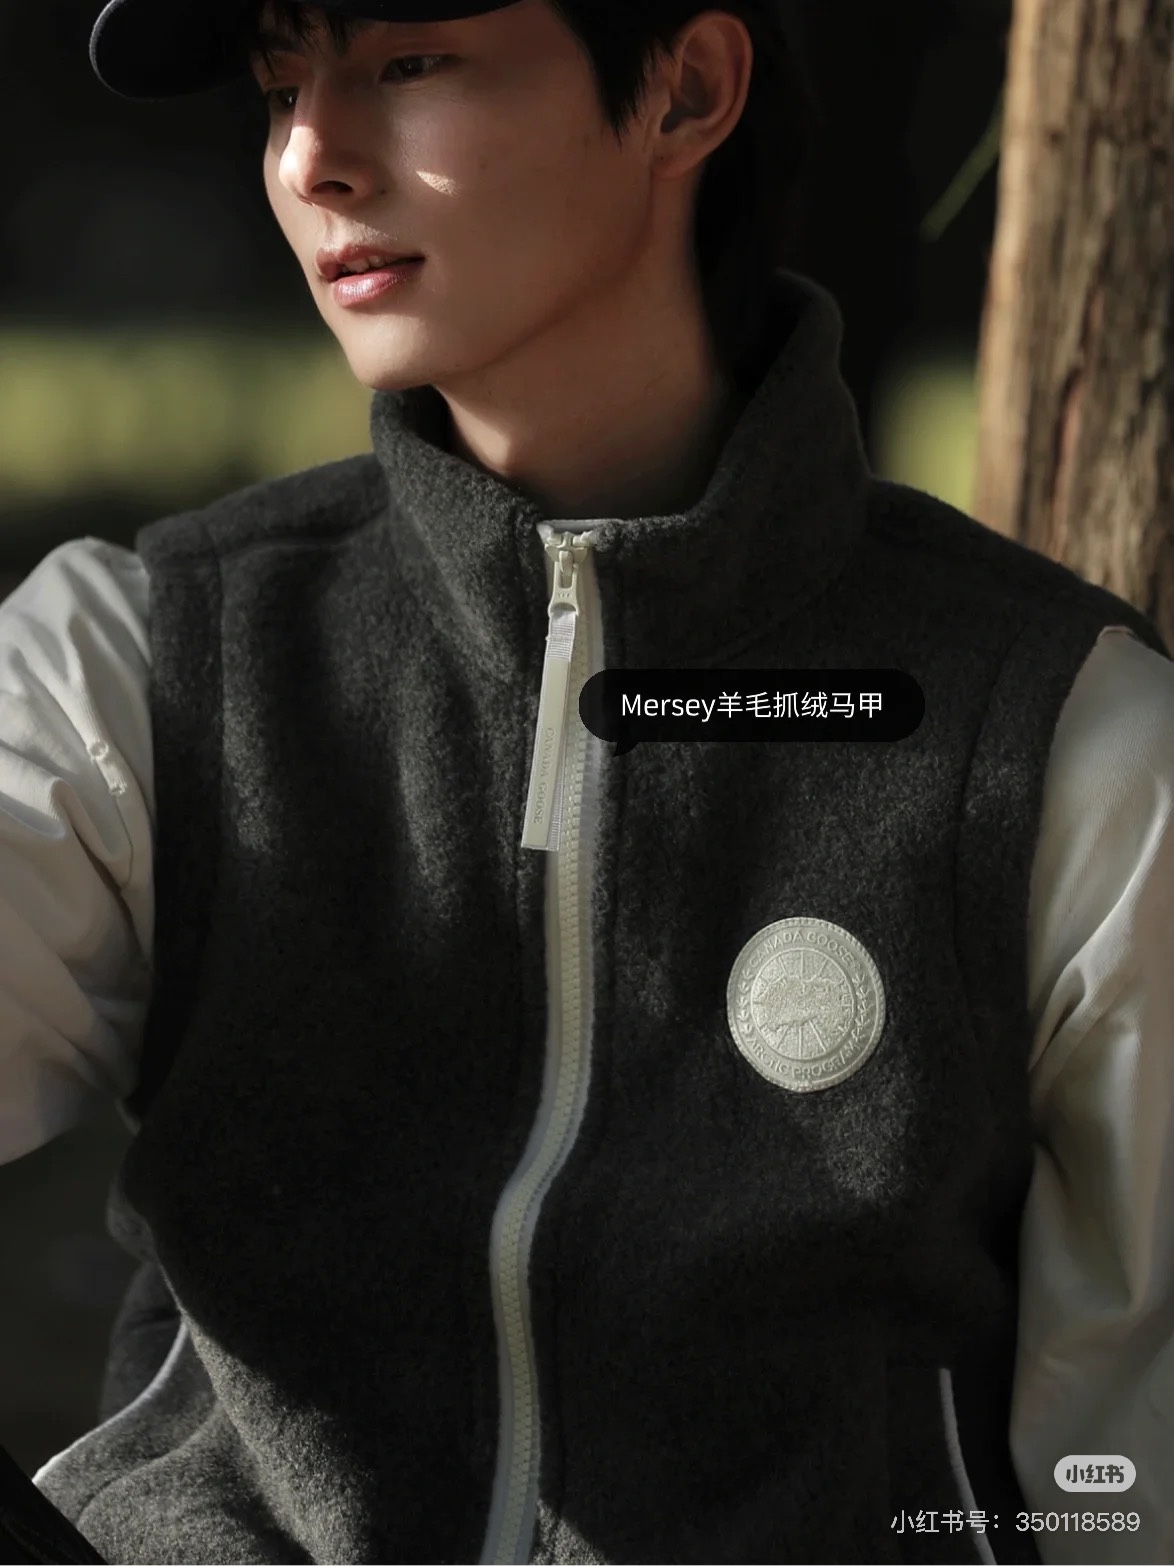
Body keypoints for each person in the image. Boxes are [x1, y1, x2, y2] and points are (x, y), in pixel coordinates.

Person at [0, 0, 1171, 1561]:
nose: (310, 156)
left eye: (407, 62)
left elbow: (1128, 1474)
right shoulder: (138, 664)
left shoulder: (1067, 739)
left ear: (685, 87)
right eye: (281, 85)